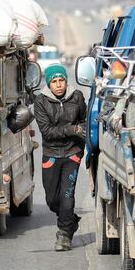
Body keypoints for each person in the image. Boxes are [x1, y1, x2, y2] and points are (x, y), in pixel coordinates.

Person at [33, 64, 87, 251]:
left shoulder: (77, 96)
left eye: (61, 80)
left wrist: (81, 140)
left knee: (67, 195)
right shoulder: (41, 101)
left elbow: (84, 120)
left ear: (66, 81)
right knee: (52, 199)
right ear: (49, 84)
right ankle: (70, 219)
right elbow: (47, 132)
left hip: (72, 152)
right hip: (51, 154)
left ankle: (64, 235)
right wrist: (71, 129)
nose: (58, 85)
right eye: (54, 81)